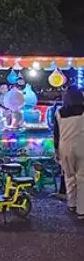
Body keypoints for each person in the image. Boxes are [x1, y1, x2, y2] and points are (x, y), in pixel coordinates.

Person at [53, 87, 84, 219]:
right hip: (81, 146)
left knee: (69, 176)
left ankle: (72, 204)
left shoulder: (59, 112)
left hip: (64, 147)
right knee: (82, 178)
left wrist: (56, 150)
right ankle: (82, 209)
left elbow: (56, 134)